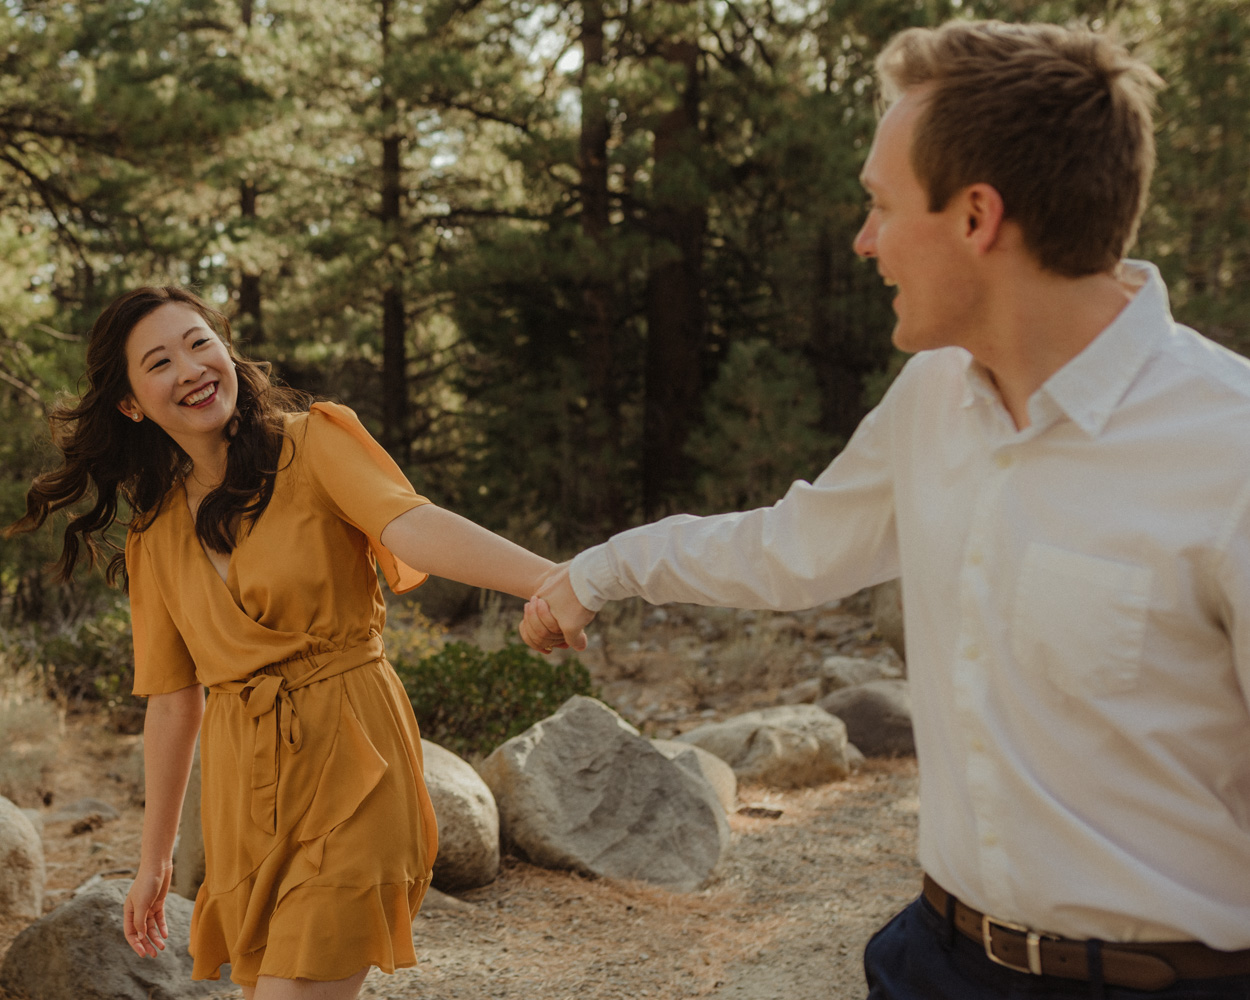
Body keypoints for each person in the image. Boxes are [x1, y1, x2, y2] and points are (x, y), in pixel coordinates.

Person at [521, 19, 1250, 1000]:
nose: (864, 240)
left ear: (976, 216)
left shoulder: (1229, 452)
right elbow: (791, 547)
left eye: (877, 205)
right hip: (934, 962)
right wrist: (600, 568)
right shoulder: (932, 398)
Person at [9, 287, 558, 1000]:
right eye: (160, 361)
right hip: (246, 793)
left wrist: (554, 580)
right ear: (132, 404)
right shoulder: (153, 541)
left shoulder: (316, 443)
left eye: (200, 342)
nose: (191, 368)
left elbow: (413, 525)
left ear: (227, 350)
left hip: (352, 758)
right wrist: (155, 861)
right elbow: (173, 704)